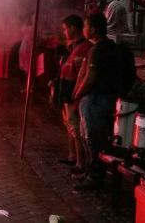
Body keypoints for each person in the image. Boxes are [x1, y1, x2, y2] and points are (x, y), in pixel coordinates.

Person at [72, 13, 119, 191]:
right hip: (103, 99)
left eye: (85, 26)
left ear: (93, 29)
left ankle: (94, 177)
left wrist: (77, 94)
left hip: (96, 100)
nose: (83, 29)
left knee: (92, 139)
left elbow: (90, 77)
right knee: (92, 138)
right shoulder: (110, 47)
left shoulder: (98, 50)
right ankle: (91, 173)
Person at [56, 15, 92, 174]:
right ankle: (72, 156)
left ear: (73, 28)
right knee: (69, 125)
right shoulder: (72, 46)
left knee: (75, 129)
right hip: (65, 91)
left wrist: (77, 94)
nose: (64, 32)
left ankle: (80, 162)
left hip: (74, 93)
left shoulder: (85, 47)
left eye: (65, 29)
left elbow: (82, 74)